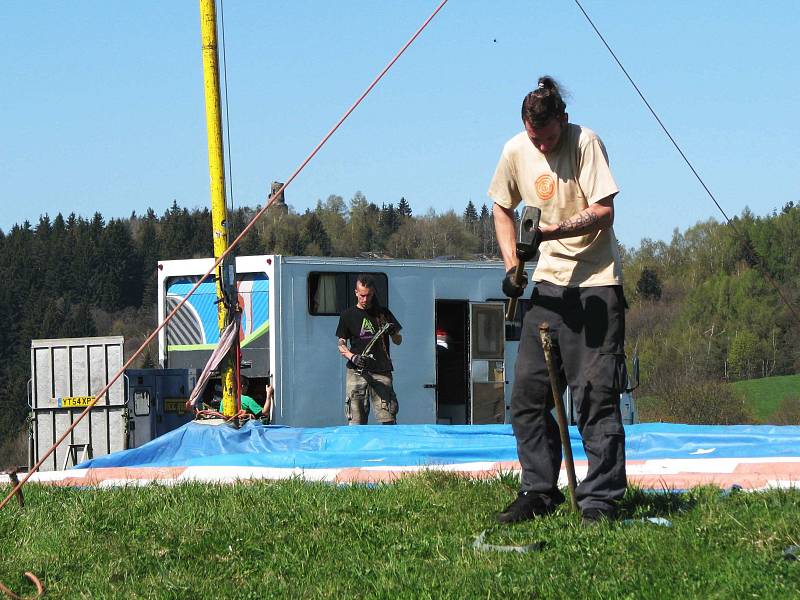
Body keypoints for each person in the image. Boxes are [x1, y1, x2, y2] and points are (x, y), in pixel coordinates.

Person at [488, 76, 627, 525]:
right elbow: (501, 207)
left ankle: (600, 499)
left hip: (596, 284)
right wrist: (513, 265)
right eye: (535, 139)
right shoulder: (515, 150)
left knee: (594, 398)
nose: (543, 149)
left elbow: (604, 212)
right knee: (527, 397)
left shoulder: (586, 143)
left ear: (562, 123)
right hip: (547, 287)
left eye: (548, 139)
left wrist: (551, 231)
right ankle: (538, 490)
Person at [335, 274, 402, 425]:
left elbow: (398, 341)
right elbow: (341, 343)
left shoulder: (383, 313)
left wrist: (393, 333)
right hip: (356, 372)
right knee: (356, 420)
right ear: (356, 292)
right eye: (362, 295)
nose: (365, 299)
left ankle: (388, 446)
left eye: (369, 295)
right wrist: (352, 357)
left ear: (373, 293)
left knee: (388, 418)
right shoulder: (347, 315)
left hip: (381, 371)